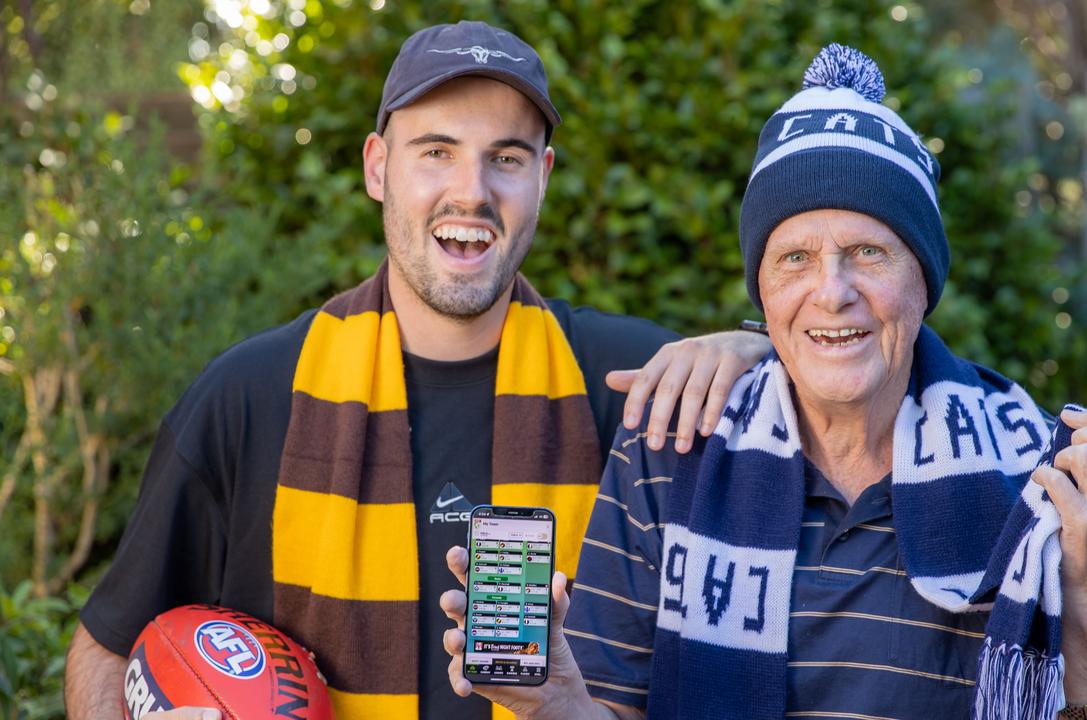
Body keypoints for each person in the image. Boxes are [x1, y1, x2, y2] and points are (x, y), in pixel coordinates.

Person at [63, 20, 772, 719]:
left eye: (507, 158)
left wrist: (759, 354)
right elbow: (104, 648)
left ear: (543, 177)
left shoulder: (629, 386)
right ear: (377, 167)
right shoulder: (249, 398)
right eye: (436, 151)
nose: (472, 192)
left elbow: (834, 399)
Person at [437, 44, 1087, 720]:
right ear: (761, 292)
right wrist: (559, 703)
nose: (831, 291)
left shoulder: (1040, 480)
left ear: (923, 280)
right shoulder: (671, 448)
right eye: (793, 259)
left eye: (868, 251)